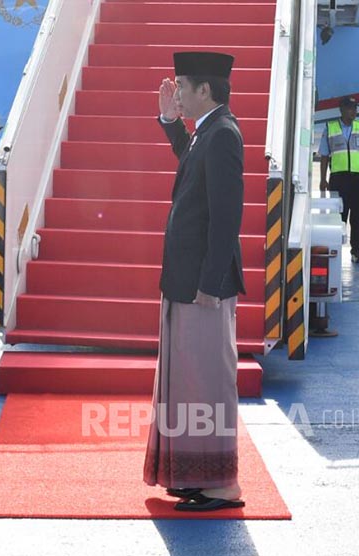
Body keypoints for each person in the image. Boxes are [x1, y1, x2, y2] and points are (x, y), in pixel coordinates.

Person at [143, 51, 246, 512]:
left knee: (207, 382)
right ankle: (194, 475)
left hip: (203, 284)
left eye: (182, 86)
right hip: (186, 279)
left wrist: (210, 279)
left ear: (205, 89)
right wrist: (169, 122)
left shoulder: (223, 133)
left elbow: (227, 217)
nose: (177, 93)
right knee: (189, 381)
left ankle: (221, 483)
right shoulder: (210, 129)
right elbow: (191, 160)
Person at [318, 96, 359, 264]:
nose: (354, 112)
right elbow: (324, 155)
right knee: (338, 217)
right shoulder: (330, 128)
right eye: (351, 108)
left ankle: (357, 250)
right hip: (338, 179)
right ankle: (334, 249)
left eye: (355, 108)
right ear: (342, 110)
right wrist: (323, 179)